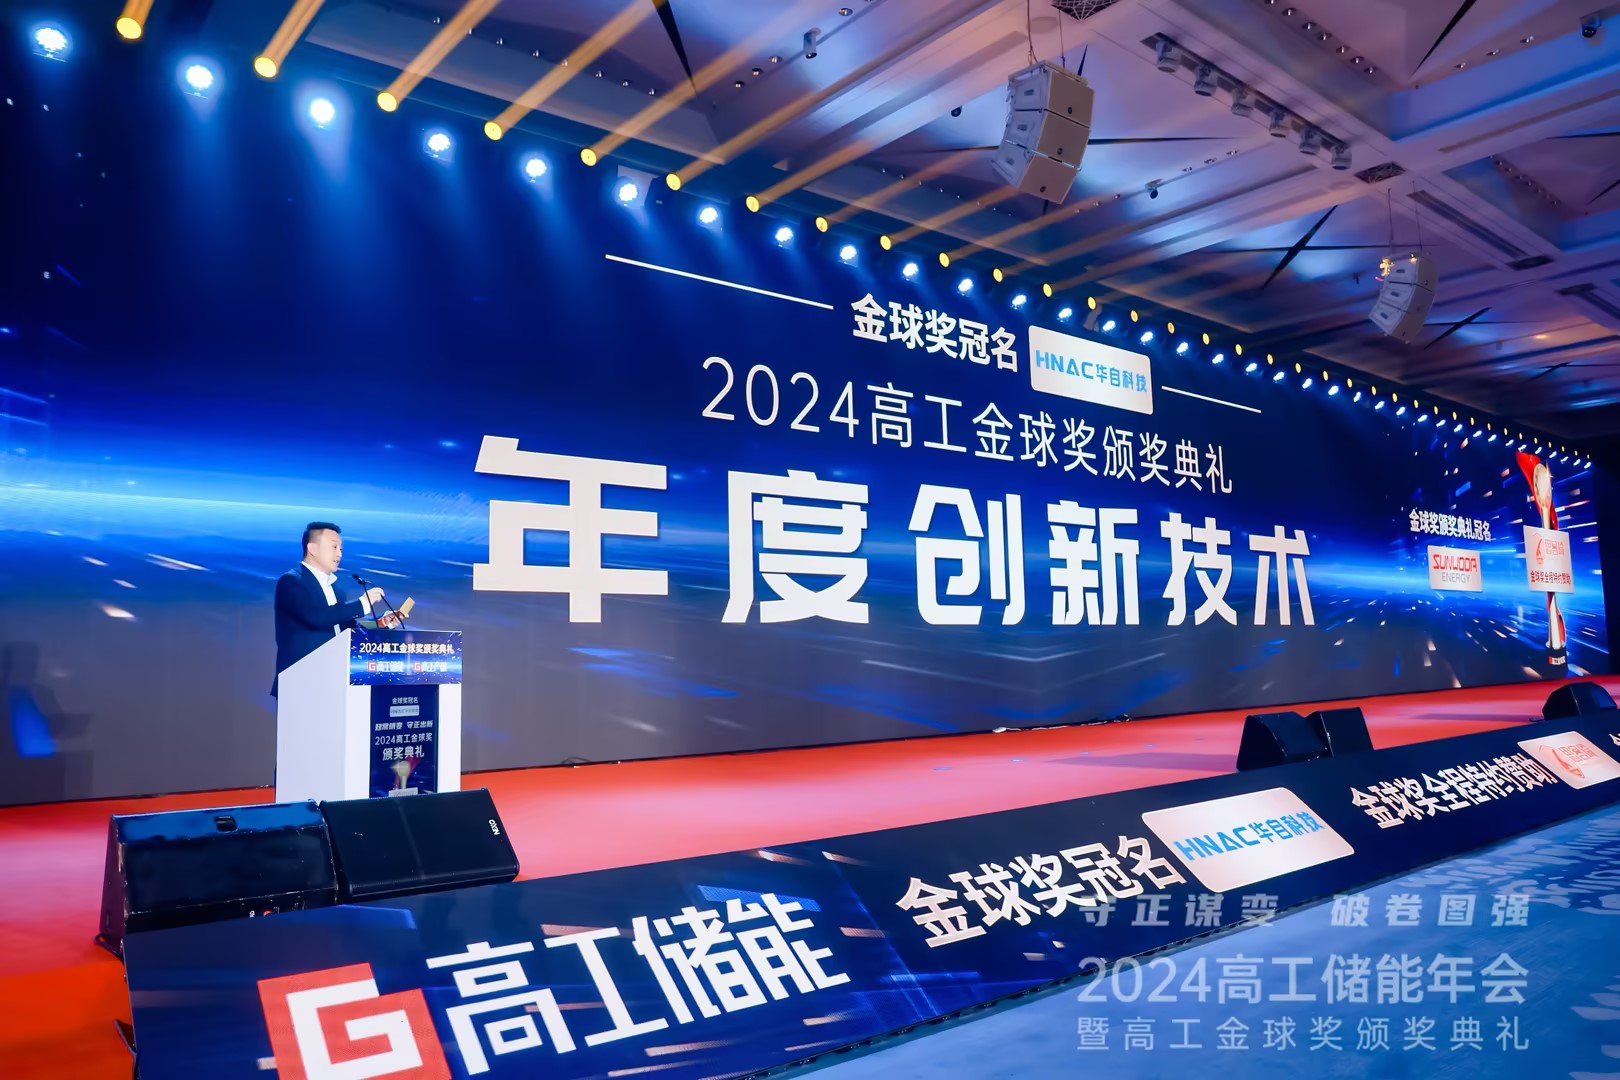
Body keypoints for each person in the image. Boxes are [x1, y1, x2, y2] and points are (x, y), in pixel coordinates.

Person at [272, 521, 397, 696]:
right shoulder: (292, 581)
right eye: (334, 547)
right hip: (300, 682)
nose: (339, 554)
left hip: (333, 679)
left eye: (341, 549)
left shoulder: (336, 589)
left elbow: (346, 627)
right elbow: (316, 617)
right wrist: (362, 602)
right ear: (312, 549)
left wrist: (381, 622)